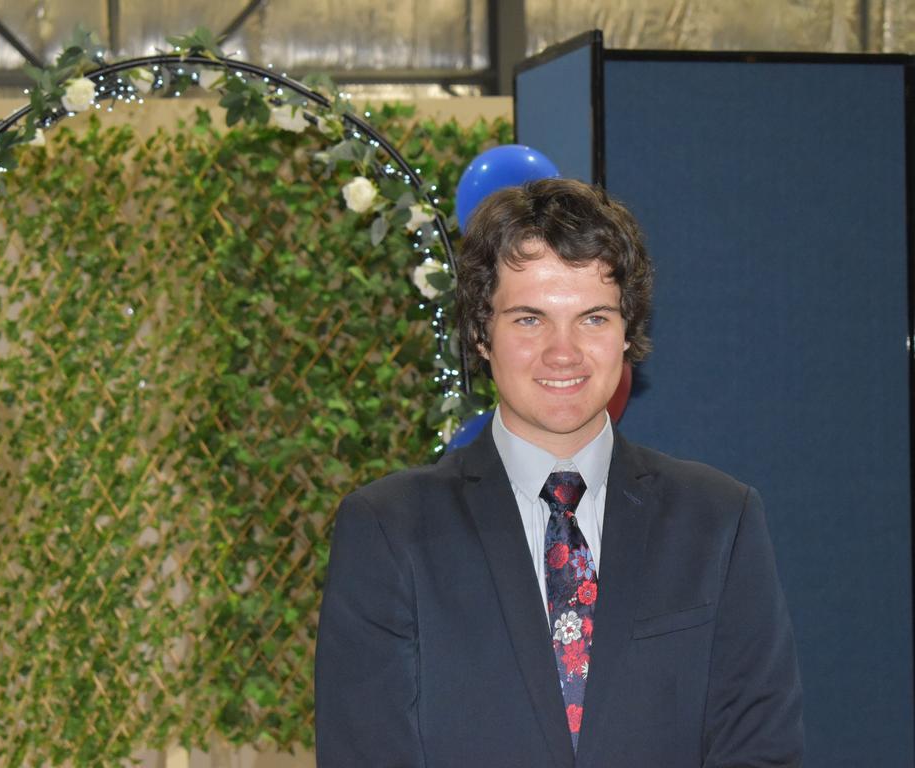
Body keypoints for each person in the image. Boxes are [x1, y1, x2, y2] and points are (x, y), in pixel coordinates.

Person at [314, 178, 803, 767]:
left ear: (628, 333)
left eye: (593, 318)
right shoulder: (388, 532)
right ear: (479, 333)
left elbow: (760, 750)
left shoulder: (720, 521)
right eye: (529, 320)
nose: (563, 352)